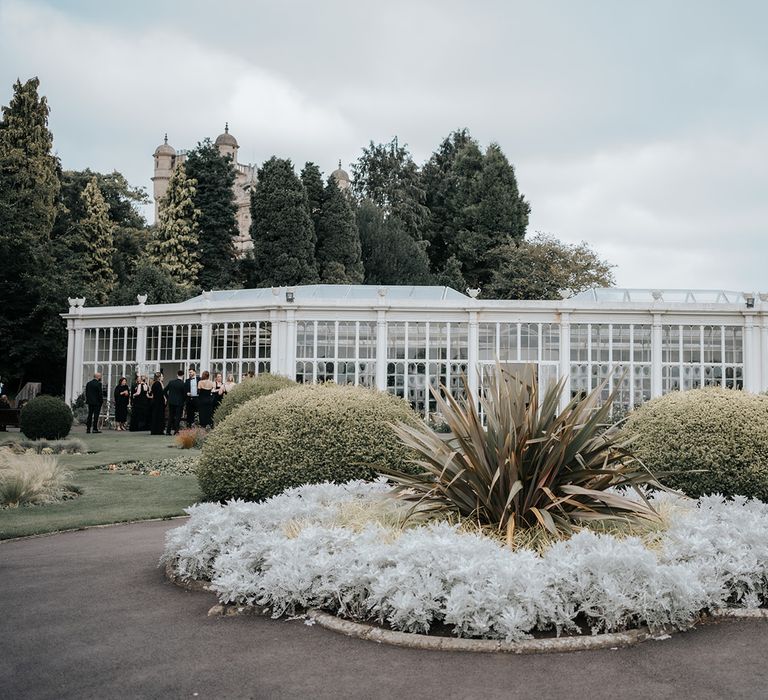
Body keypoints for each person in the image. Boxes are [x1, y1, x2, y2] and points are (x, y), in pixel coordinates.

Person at [164, 370, 186, 435]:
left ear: (177, 374)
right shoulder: (183, 384)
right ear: (183, 375)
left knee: (171, 416)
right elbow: (184, 394)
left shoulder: (171, 382)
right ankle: (176, 431)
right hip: (179, 402)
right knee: (178, 417)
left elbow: (164, 391)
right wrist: (183, 401)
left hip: (171, 402)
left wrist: (168, 398)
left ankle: (168, 431)